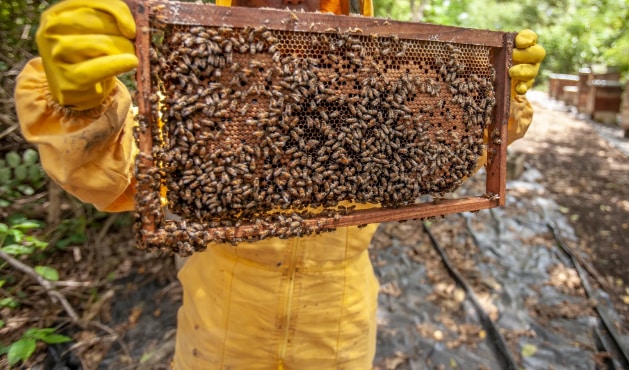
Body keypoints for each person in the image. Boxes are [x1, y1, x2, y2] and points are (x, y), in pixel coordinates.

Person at [14, 0, 545, 368]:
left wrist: (495, 103)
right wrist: (80, 106)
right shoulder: (207, 89)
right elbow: (121, 174)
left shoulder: (385, 85)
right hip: (221, 327)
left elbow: (440, 158)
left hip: (338, 327)